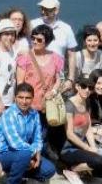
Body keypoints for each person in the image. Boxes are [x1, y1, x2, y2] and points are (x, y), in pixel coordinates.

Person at [15, 24, 65, 160]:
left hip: (47, 106)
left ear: (47, 41)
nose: (35, 42)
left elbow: (59, 79)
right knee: (28, 135)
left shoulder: (56, 58)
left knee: (43, 134)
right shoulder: (25, 57)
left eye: (39, 40)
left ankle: (39, 161)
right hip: (29, 104)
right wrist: (23, 102)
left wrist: (54, 91)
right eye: (33, 38)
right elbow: (20, 82)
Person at [0, 83, 56, 184]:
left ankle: (20, 174)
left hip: (24, 153)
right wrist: (35, 153)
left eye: (28, 98)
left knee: (50, 170)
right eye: (20, 97)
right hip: (2, 154)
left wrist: (37, 149)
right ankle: (12, 181)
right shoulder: (8, 114)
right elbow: (15, 143)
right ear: (15, 98)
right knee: (24, 155)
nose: (24, 101)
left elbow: (38, 138)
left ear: (32, 98)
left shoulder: (34, 114)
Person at [61, 76, 102, 180]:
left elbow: (88, 128)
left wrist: (93, 148)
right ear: (77, 87)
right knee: (99, 162)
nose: (87, 90)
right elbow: (69, 134)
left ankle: (83, 169)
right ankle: (72, 169)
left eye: (90, 87)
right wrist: (88, 148)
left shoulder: (87, 102)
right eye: (84, 86)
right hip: (69, 149)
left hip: (83, 147)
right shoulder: (69, 105)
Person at [30, 0, 77, 94]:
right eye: (42, 8)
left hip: (58, 78)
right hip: (35, 76)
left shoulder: (66, 28)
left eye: (47, 9)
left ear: (56, 10)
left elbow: (72, 54)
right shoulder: (32, 25)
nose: (43, 12)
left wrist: (71, 79)